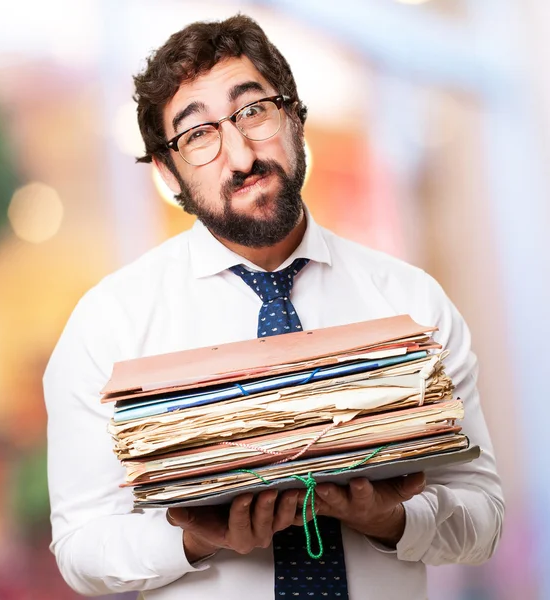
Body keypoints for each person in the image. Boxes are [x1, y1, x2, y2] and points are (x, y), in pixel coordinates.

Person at [43, 14, 504, 600]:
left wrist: (392, 520)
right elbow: (82, 548)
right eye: (198, 135)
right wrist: (194, 540)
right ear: (168, 173)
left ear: (295, 117)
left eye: (252, 111)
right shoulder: (108, 325)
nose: (240, 156)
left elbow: (483, 516)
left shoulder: (414, 303)